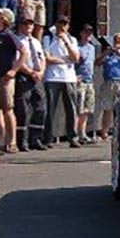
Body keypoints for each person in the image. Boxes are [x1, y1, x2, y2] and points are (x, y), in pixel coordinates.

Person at [0, 7, 27, 154]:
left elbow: (24, 51)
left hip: (5, 78)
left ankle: (12, 141)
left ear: (4, 19)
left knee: (8, 109)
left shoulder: (9, 35)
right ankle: (0, 140)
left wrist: (14, 70)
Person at [43, 16, 80, 148]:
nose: (62, 26)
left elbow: (75, 58)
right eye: (60, 23)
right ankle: (47, 138)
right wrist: (65, 60)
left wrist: (65, 41)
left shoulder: (72, 40)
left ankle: (72, 136)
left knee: (71, 108)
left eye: (65, 24)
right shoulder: (48, 38)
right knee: (50, 108)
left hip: (68, 77)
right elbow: (47, 58)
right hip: (52, 77)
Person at [13, 14, 47, 151]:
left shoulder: (36, 42)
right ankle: (23, 141)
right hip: (24, 76)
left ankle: (36, 139)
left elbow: (42, 58)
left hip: (37, 77)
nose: (28, 27)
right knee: (23, 110)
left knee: (41, 108)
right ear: (20, 26)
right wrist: (30, 73)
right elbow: (18, 61)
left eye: (31, 24)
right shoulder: (17, 41)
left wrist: (41, 72)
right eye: (25, 24)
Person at [95, 33, 120, 140]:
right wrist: (106, 53)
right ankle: (105, 132)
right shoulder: (109, 53)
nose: (117, 41)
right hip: (108, 82)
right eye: (116, 39)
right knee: (107, 108)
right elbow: (97, 62)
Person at [75, 24, 97, 144]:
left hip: (90, 80)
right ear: (81, 33)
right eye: (86, 32)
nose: (88, 35)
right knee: (79, 108)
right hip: (80, 79)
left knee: (86, 109)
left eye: (90, 33)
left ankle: (82, 133)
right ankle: (75, 134)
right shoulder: (77, 46)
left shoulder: (92, 48)